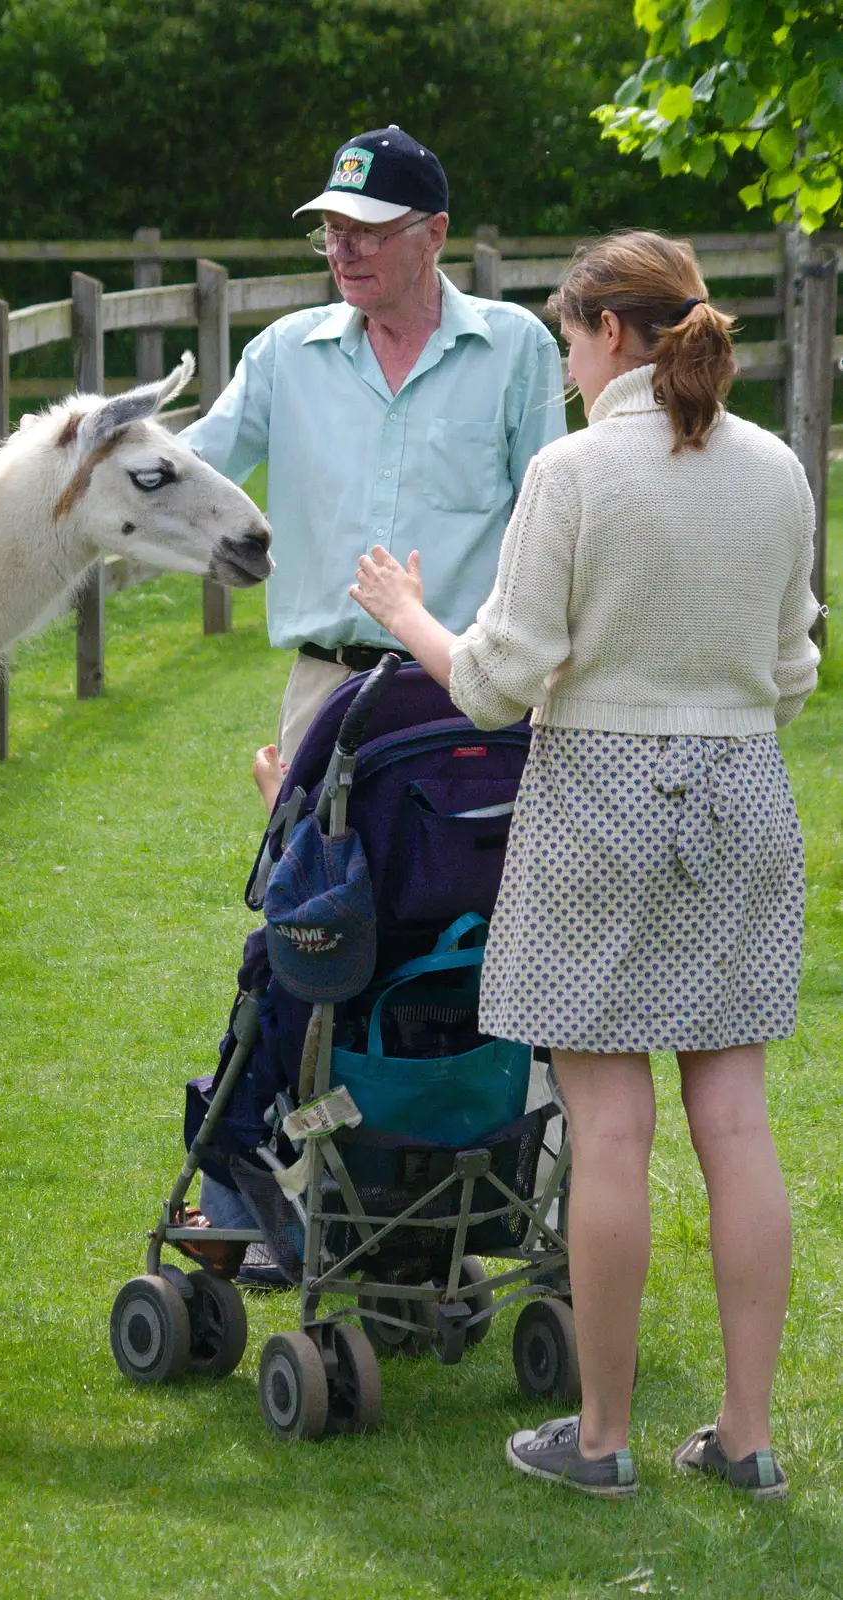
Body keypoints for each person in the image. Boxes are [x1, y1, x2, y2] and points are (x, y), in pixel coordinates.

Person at [350, 229, 820, 1499]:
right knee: (736, 1122)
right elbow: (794, 675)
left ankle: (601, 1441)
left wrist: (407, 619)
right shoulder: (779, 468)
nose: (562, 360)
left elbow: (497, 686)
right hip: (741, 803)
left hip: (598, 807)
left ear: (611, 332)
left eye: (565, 336)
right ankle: (745, 1435)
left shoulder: (571, 472)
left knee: (608, 1127)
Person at [182, 124, 566, 769]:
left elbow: (550, 520)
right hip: (322, 688)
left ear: (435, 234)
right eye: (332, 231)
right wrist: (81, 456)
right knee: (311, 870)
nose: (345, 252)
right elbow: (194, 466)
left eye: (368, 232)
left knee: (467, 871)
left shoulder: (515, 348)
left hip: (465, 686)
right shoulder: (284, 353)